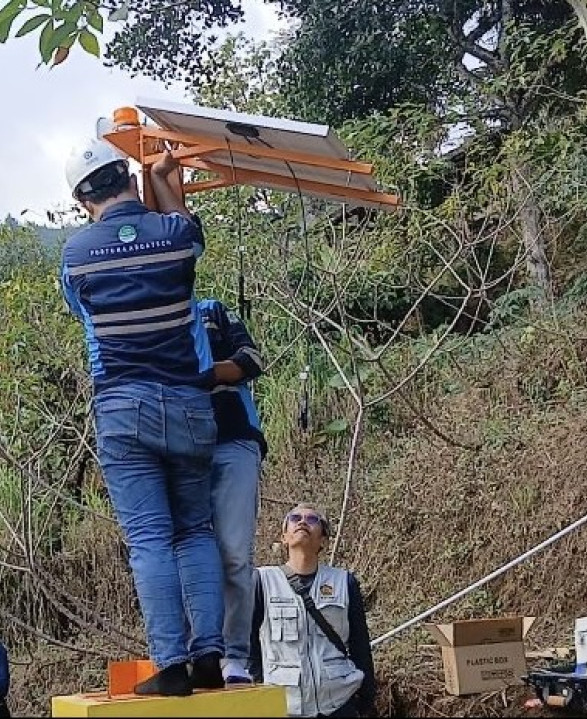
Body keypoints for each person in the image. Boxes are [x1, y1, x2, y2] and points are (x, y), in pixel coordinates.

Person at [60, 137, 226, 696]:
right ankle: (210, 657)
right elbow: (183, 225)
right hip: (188, 402)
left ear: (83, 200)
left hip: (123, 406)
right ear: (128, 177)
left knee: (150, 538)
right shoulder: (176, 237)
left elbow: (83, 311)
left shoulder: (76, 254)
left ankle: (171, 665)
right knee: (195, 531)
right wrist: (163, 177)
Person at [249, 505, 376, 717]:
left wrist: (366, 700)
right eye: (295, 517)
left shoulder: (344, 582)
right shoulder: (262, 581)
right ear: (284, 538)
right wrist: (259, 692)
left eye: (312, 519)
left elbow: (360, 645)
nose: (302, 522)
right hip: (284, 706)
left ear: (323, 541)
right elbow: (249, 646)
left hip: (339, 704)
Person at [197, 297, 266, 685]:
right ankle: (198, 651)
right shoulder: (148, 314)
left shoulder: (211, 310)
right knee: (188, 554)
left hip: (235, 438)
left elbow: (251, 359)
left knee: (235, 553)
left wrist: (202, 374)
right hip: (178, 446)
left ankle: (235, 654)